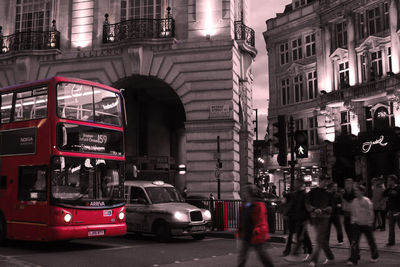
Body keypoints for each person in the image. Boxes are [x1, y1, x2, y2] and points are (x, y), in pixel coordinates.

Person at [237, 184, 275, 267]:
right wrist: (240, 230)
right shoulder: (246, 203)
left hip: (256, 233)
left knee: (262, 255)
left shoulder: (258, 204)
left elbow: (261, 220)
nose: (243, 194)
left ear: (250, 193)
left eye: (245, 192)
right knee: (242, 255)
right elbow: (243, 217)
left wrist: (258, 230)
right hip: (247, 233)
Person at [305, 175, 334, 267]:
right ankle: (330, 255)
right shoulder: (312, 192)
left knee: (318, 239)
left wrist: (324, 210)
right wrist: (313, 209)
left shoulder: (329, 193)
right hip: (315, 217)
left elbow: (331, 206)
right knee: (321, 239)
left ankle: (314, 260)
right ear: (320, 181)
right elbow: (307, 203)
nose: (326, 183)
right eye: (324, 181)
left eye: (327, 182)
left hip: (324, 217)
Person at [347, 185, 379, 266]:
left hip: (366, 224)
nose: (355, 192)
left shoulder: (367, 201)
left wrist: (370, 222)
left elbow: (371, 213)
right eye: (355, 191)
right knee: (354, 242)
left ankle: (375, 255)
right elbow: (353, 212)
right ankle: (353, 259)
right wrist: (353, 221)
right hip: (357, 224)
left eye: (357, 190)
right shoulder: (354, 201)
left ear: (362, 192)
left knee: (371, 241)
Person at [283, 178, 312, 262]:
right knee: (304, 237)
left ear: (300, 184)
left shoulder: (304, 194)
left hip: (302, 218)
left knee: (300, 236)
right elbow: (289, 201)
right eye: (294, 183)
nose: (294, 184)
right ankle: (309, 251)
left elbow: (307, 207)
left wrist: (307, 219)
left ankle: (294, 254)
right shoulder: (294, 194)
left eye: (296, 183)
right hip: (296, 218)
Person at [383, 174, 400, 246]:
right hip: (390, 210)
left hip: (397, 210)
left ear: (393, 180)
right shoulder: (388, 189)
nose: (388, 181)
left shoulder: (398, 188)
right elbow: (384, 196)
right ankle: (391, 242)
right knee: (391, 226)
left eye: (389, 180)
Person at [342, 178, 356, 245]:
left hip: (353, 215)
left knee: (353, 233)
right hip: (346, 214)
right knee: (348, 232)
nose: (346, 185)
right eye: (345, 184)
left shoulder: (355, 192)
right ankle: (352, 246)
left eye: (348, 184)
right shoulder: (344, 192)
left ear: (352, 184)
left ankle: (354, 249)